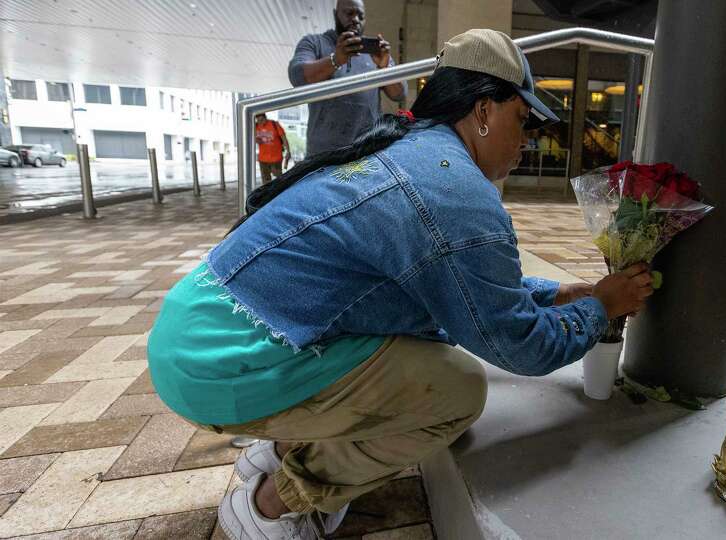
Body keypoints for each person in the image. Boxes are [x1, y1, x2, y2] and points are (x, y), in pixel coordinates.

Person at [148, 29, 654, 539]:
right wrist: (600, 309)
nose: (527, 141)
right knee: (454, 392)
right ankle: (269, 504)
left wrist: (556, 293)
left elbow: (457, 281)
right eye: (522, 120)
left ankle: (277, 447)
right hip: (224, 366)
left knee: (420, 345)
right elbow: (519, 345)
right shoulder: (456, 192)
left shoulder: (409, 148)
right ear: (483, 111)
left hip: (196, 330)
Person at [288, 0, 406, 157]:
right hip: (323, 155)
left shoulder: (375, 52)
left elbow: (399, 94)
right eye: (349, 13)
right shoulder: (315, 43)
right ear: (335, 14)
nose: (356, 19)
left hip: (367, 151)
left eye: (361, 16)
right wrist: (336, 59)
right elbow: (298, 76)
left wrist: (385, 68)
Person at [255, 114, 290, 185]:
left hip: (275, 159)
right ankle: (268, 195)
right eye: (258, 120)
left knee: (279, 181)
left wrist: (288, 151)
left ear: (265, 117)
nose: (260, 122)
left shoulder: (274, 124)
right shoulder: (255, 126)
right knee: (266, 183)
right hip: (263, 159)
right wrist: (256, 140)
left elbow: (284, 139)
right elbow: (253, 139)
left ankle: (280, 194)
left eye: (261, 120)